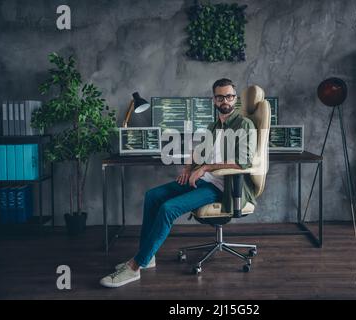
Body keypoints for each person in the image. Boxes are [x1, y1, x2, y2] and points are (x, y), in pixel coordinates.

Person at [100, 78, 257, 288]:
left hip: (221, 187)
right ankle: (149, 256)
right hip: (203, 179)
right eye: (220, 97)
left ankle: (135, 266)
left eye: (229, 96)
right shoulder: (213, 125)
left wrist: (204, 168)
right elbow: (198, 151)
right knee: (153, 196)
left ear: (235, 98)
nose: (225, 100)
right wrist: (188, 168)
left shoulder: (244, 124)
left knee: (168, 208)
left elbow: (243, 162)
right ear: (214, 100)